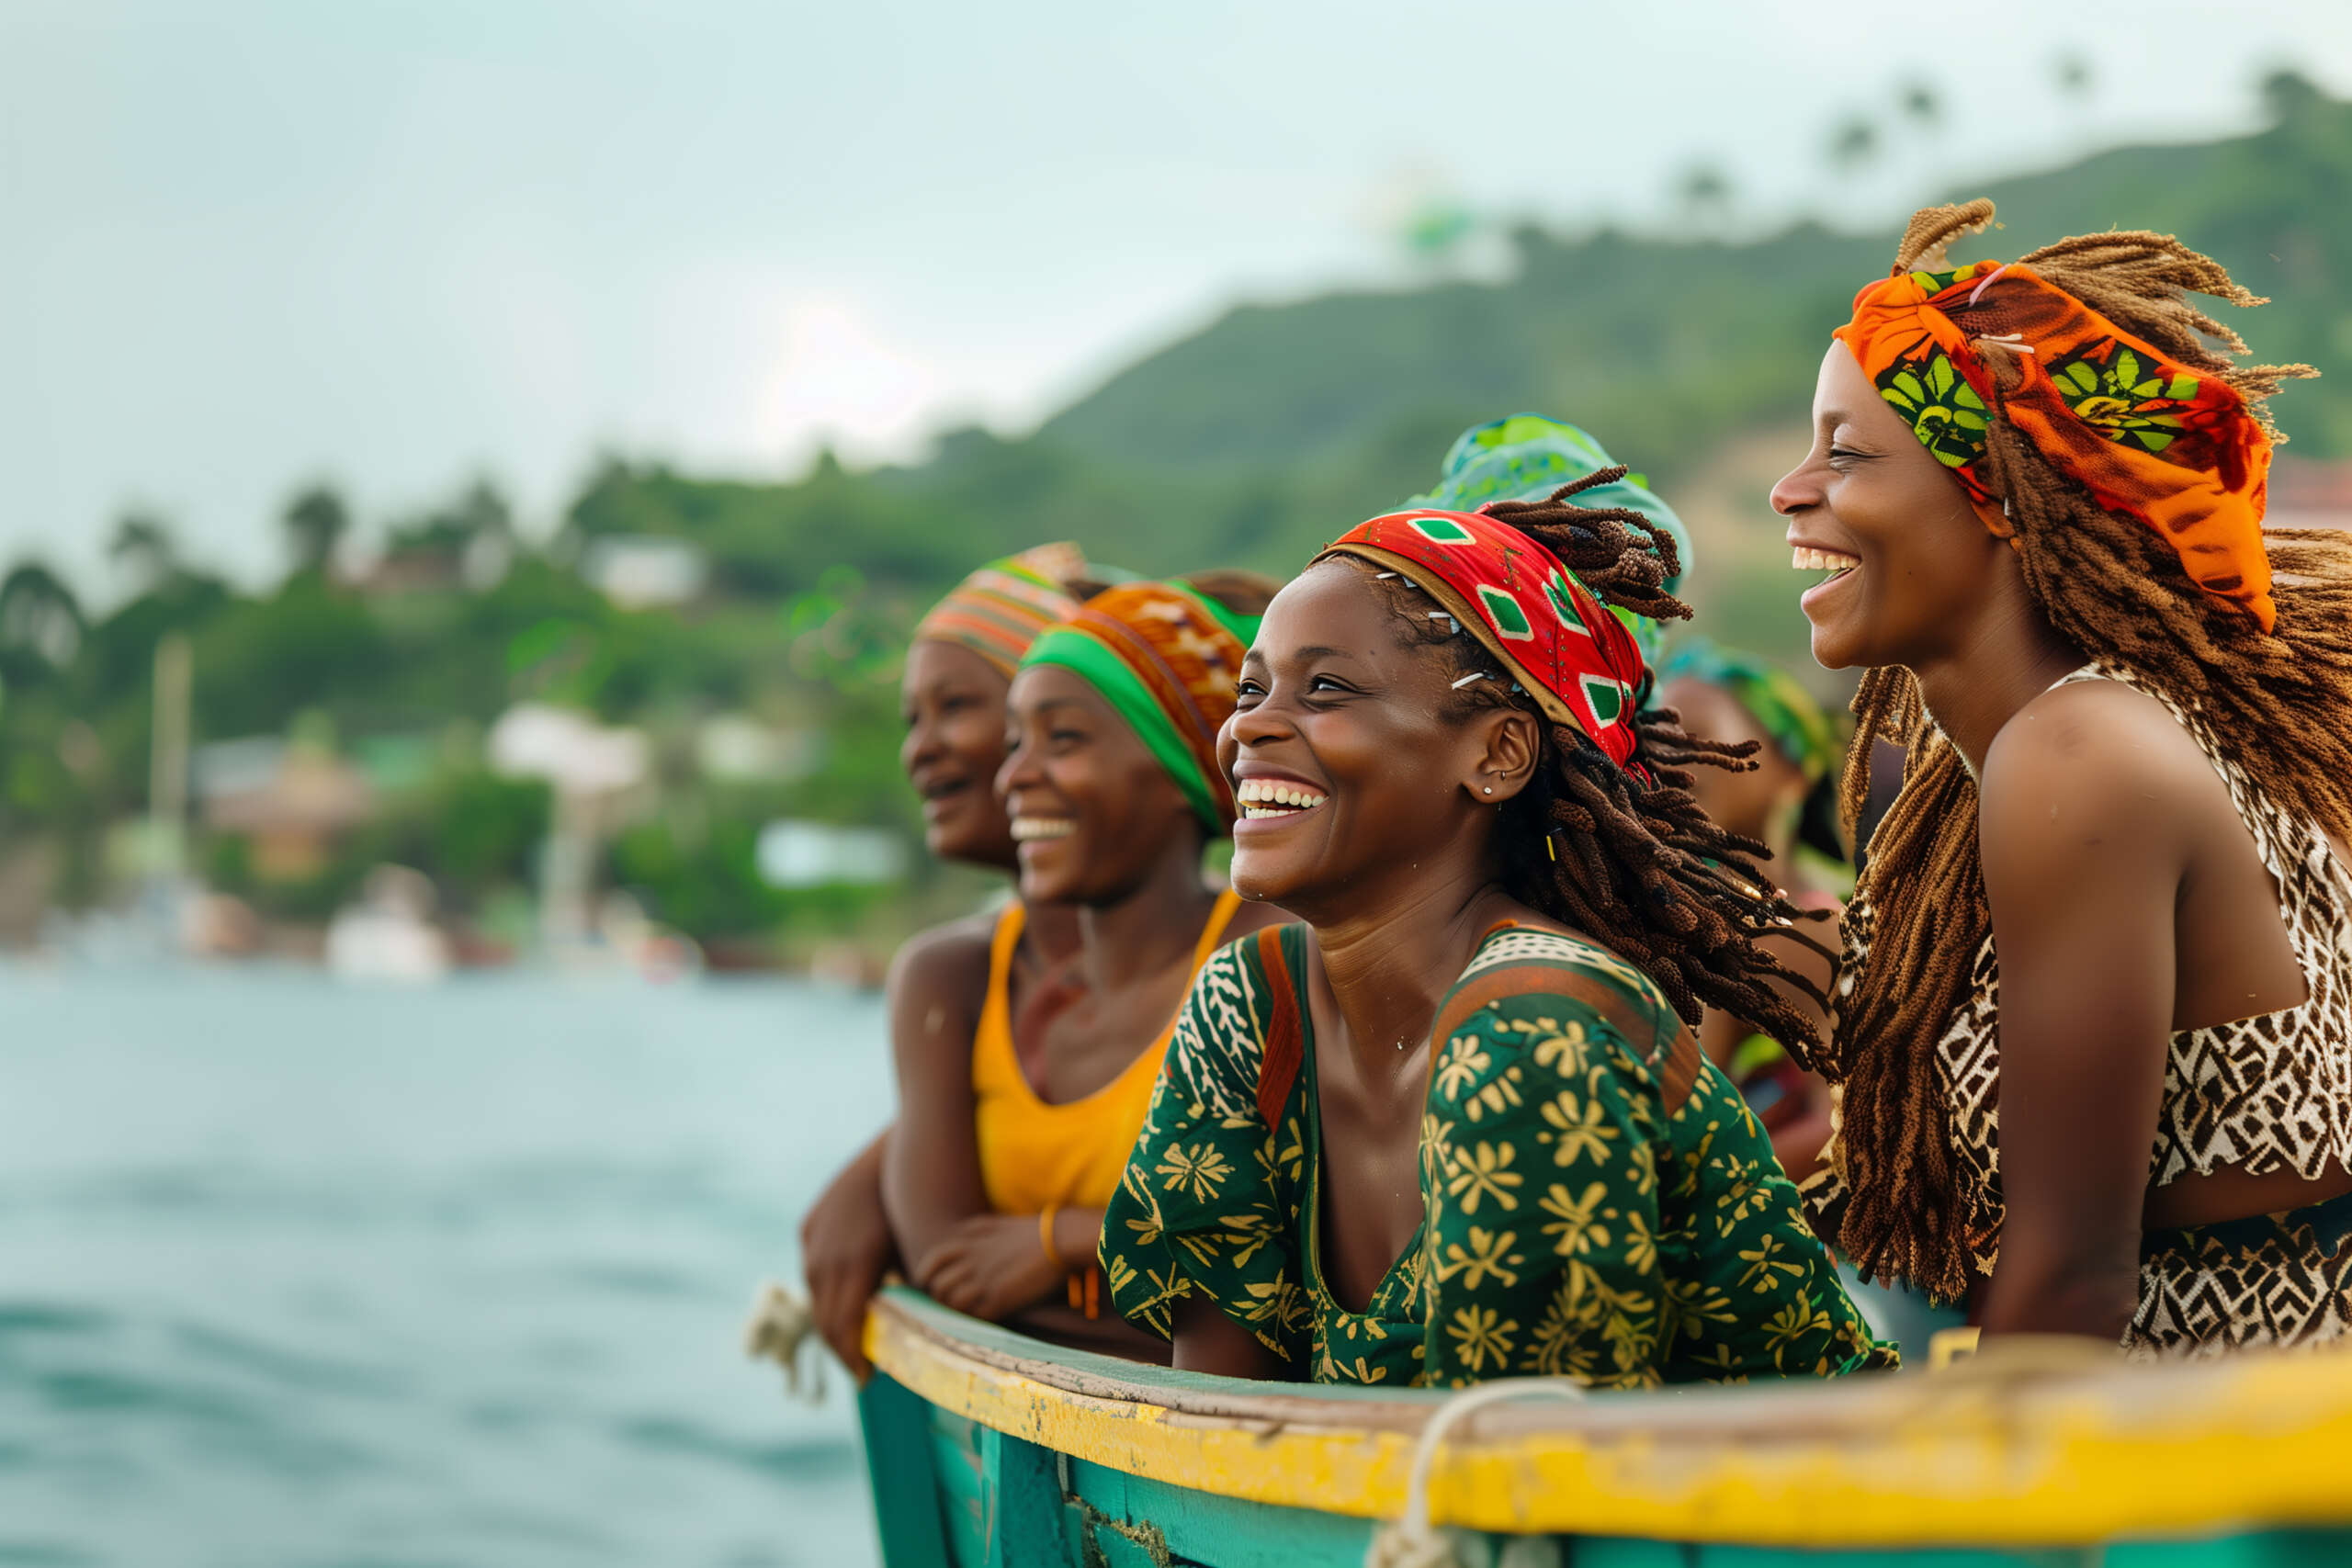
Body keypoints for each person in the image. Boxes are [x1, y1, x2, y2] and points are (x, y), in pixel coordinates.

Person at [1100, 481, 1893, 1388]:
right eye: (1251, 688)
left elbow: (1530, 1483)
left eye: (1324, 687)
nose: (1250, 727)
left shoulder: (1536, 1028)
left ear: (1497, 754)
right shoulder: (1251, 1004)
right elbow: (1221, 1410)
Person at [1774, 199, 2352, 1354]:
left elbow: (2070, 1286)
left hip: (2237, 1481)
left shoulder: (2078, 755)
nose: (1792, 489)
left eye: (1845, 453)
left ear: (2000, 490)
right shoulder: (2083, 737)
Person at [885, 574, 1288, 1353]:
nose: (1014, 777)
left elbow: (1270, 1257)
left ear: (1179, 773)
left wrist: (1060, 1242)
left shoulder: (1267, 953)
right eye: (1013, 744)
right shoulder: (946, 978)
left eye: (1061, 740)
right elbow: (950, 1266)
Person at [797, 545, 1096, 1377]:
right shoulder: (955, 977)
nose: (918, 750)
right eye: (910, 719)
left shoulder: (1236, 947)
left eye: (954, 706)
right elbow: (954, 1265)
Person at [1655, 640, 1844, 1180]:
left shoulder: (1805, 927)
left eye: (1691, 733)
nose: (1669, 756)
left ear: (1792, 769)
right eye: (1657, 740)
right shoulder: (1698, 910)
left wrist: (1703, 1202)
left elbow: (1843, 1123)